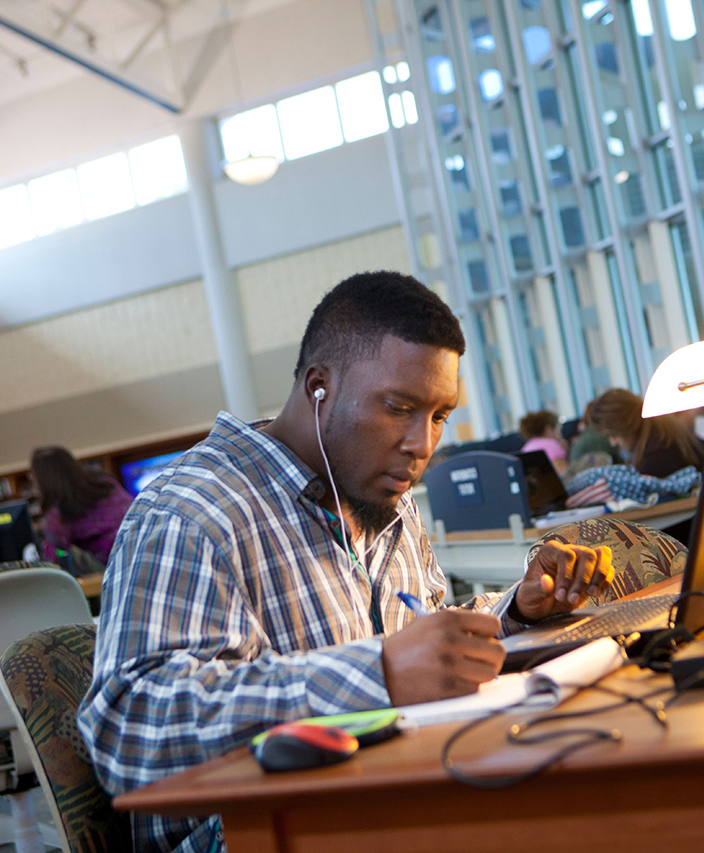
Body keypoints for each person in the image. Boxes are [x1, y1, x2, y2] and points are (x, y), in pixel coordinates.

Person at [78, 272, 615, 853]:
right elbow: (127, 731)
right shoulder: (193, 512)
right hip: (260, 829)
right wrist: (377, 675)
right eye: (400, 408)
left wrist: (516, 613)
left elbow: (419, 635)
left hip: (386, 795)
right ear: (318, 388)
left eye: (439, 415)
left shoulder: (385, 500)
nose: (422, 444)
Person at [30, 446, 133, 566]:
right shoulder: (105, 483)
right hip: (141, 546)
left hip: (110, 565)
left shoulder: (60, 511)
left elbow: (53, 557)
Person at [587, 388, 704, 478]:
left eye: (612, 435)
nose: (612, 443)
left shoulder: (657, 455)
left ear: (624, 426)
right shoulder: (666, 430)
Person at [518, 409, 568, 474]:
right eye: (559, 430)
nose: (561, 435)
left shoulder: (527, 446)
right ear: (548, 430)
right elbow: (564, 475)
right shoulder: (552, 445)